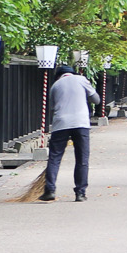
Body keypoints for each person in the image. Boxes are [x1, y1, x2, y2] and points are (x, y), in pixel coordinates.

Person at [39, 63, 99, 202]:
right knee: (82, 158)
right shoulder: (82, 80)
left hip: (61, 123)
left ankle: (50, 189)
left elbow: (52, 107)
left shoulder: (55, 85)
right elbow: (96, 100)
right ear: (72, 72)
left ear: (58, 75)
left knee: (54, 157)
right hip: (81, 123)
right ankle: (80, 193)